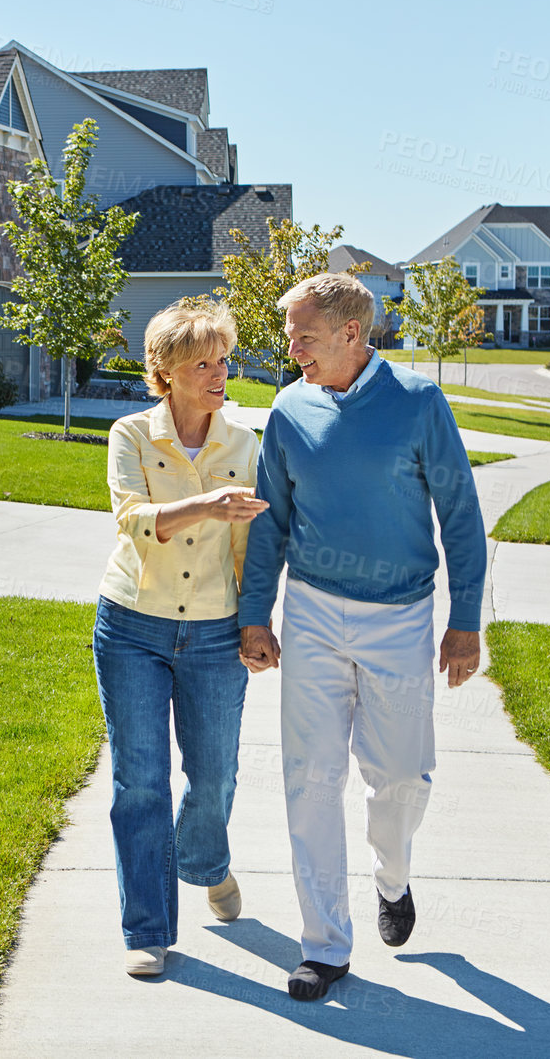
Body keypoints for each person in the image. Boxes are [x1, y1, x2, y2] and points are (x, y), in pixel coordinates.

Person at [237, 272, 486, 1003]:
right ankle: (324, 946)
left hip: (402, 618)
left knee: (401, 778)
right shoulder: (288, 409)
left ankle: (393, 875)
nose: (291, 350)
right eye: (290, 337)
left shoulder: (417, 404)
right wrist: (258, 614)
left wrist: (464, 621)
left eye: (303, 337)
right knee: (310, 779)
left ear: (352, 334)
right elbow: (271, 521)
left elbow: (461, 515)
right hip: (312, 612)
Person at [93, 299, 270, 977]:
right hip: (133, 624)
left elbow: (252, 543)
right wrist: (206, 505)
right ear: (165, 372)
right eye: (203, 362)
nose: (219, 373)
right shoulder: (131, 434)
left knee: (215, 775)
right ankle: (148, 930)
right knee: (140, 781)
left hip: (215, 631)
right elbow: (135, 521)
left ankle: (204, 860)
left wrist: (256, 624)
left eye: (223, 359)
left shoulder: (243, 443)